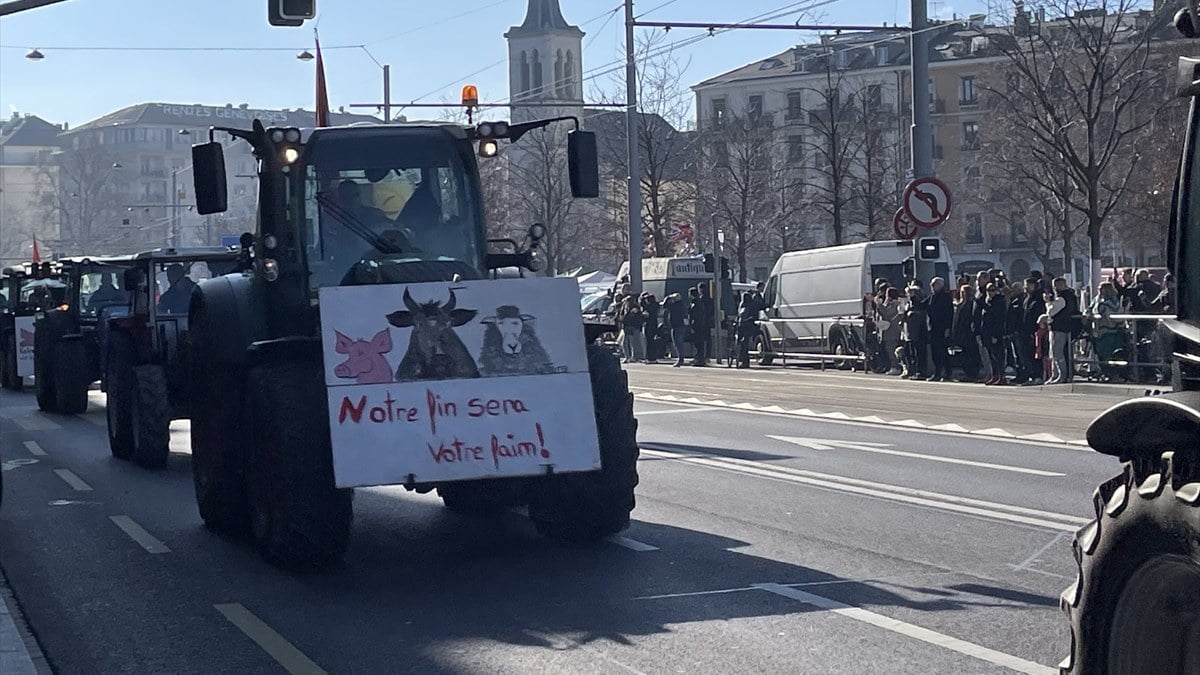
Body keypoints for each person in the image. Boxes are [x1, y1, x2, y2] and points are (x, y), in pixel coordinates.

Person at [1045, 277, 1075, 384]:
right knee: (1053, 353)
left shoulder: (1063, 298)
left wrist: (1048, 303)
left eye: (1057, 286)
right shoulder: (1068, 296)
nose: (1055, 289)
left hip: (1060, 328)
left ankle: (1062, 375)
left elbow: (1051, 311)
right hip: (1059, 327)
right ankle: (1055, 374)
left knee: (1058, 353)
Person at [1017, 278, 1046, 386]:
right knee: (1027, 355)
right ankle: (1031, 375)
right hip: (1025, 331)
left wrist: (1034, 330)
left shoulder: (1038, 299)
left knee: (1036, 355)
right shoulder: (1026, 299)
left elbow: (1036, 315)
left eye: (1028, 285)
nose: (1026, 287)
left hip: (1034, 331)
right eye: (1025, 285)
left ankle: (1038, 376)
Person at [926, 277, 953, 382]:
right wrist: (913, 297)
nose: (932, 287)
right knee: (935, 352)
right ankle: (937, 373)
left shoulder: (945, 297)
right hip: (933, 328)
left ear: (940, 285)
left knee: (943, 351)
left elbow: (949, 313)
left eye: (934, 285)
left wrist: (948, 328)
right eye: (931, 285)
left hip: (942, 328)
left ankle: (948, 373)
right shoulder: (932, 297)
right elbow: (922, 305)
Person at [981, 283, 1009, 385]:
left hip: (996, 333)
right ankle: (995, 375)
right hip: (987, 332)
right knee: (991, 356)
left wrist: (996, 335)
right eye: (988, 290)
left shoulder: (999, 301)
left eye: (992, 290)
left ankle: (1002, 376)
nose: (990, 292)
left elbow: (998, 319)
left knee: (998, 356)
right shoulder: (988, 301)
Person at [952, 284, 979, 381]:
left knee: (971, 353)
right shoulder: (961, 304)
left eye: (964, 292)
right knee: (964, 354)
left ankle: (972, 373)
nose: (962, 294)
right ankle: (967, 372)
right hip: (961, 332)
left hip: (968, 333)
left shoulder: (970, 304)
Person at [876, 287, 903, 375]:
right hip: (889, 331)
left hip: (892, 331)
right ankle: (894, 366)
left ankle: (895, 367)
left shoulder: (895, 304)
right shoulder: (890, 303)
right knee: (889, 349)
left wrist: (879, 305)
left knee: (892, 349)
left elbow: (886, 314)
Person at [662, 293, 688, 367]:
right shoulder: (681, 305)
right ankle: (681, 358)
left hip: (676, 326)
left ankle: (681, 359)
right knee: (678, 343)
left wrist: (667, 298)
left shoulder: (674, 306)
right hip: (680, 326)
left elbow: (665, 306)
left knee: (677, 343)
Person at [688, 287, 710, 366]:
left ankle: (700, 360)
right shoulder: (695, 302)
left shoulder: (697, 303)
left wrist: (693, 325)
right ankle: (697, 358)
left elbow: (696, 316)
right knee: (697, 343)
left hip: (698, 326)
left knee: (699, 344)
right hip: (698, 326)